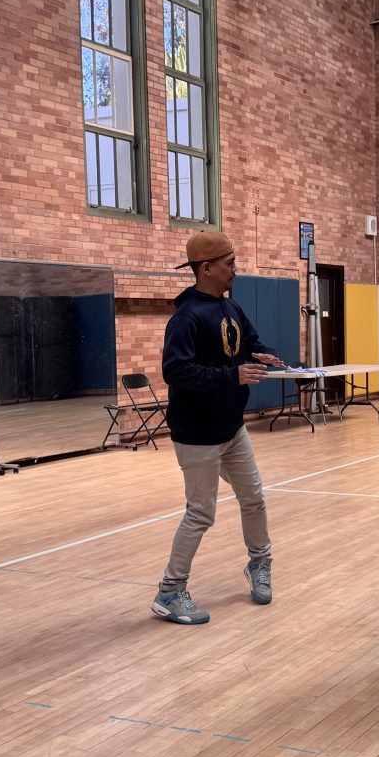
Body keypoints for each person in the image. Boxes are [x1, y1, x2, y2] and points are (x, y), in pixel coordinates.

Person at [151, 231, 286, 625]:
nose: (235, 269)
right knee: (200, 514)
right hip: (197, 433)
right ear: (206, 268)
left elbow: (253, 344)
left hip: (231, 428)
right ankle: (169, 592)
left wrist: (267, 355)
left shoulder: (231, 309)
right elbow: (175, 371)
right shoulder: (187, 317)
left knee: (254, 497)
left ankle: (259, 564)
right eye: (229, 263)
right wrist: (232, 374)